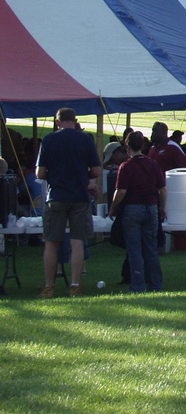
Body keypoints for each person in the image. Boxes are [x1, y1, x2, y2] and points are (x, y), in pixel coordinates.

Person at [36, 108, 102, 298]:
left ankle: (49, 286)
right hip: (80, 197)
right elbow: (97, 171)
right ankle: (75, 285)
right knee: (77, 242)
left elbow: (40, 173)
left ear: (57, 122)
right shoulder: (85, 140)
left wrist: (55, 175)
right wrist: (82, 174)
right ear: (75, 120)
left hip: (56, 195)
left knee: (51, 242)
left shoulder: (49, 140)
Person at [109, 131, 165, 293]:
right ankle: (155, 284)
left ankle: (137, 285)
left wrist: (113, 209)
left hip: (132, 208)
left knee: (134, 249)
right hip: (151, 207)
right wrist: (162, 207)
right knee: (151, 248)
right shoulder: (153, 163)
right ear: (142, 145)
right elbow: (163, 189)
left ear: (127, 146)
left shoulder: (126, 166)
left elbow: (120, 191)